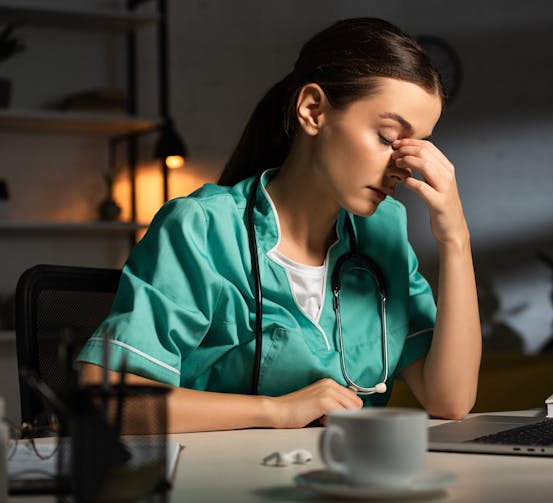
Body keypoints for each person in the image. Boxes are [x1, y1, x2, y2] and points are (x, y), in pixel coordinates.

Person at [77, 17, 481, 432]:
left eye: (416, 146)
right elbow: (105, 400)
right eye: (386, 137)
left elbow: (450, 400)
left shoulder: (384, 232)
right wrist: (277, 410)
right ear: (312, 110)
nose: (402, 167)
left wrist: (455, 237)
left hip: (354, 482)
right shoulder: (203, 228)